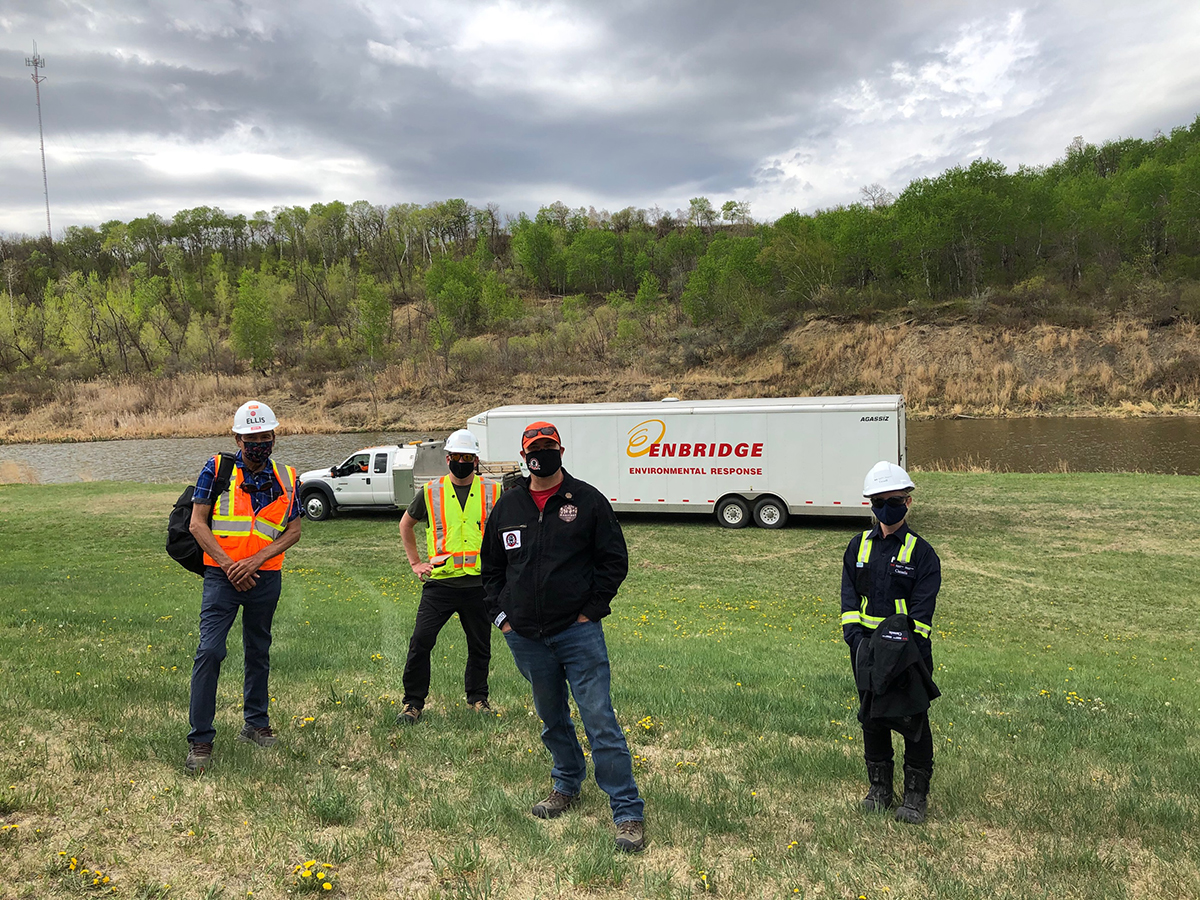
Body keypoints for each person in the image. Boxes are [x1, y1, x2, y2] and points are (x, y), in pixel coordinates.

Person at [481, 421, 646, 853]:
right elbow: (492, 571)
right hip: (526, 638)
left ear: (560, 450)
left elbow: (614, 561)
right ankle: (566, 784)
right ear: (524, 456)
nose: (541, 454)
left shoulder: (587, 500)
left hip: (578, 635)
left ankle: (627, 811)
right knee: (551, 717)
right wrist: (503, 618)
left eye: (548, 447)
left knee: (600, 721)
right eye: (534, 448)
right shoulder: (507, 506)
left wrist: (590, 613)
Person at [184, 400, 301, 774]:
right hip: (222, 576)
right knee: (210, 651)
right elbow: (197, 524)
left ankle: (255, 722)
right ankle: (201, 740)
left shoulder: (288, 476)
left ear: (274, 437)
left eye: (265, 436)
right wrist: (231, 565)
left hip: (265, 577)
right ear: (237, 437)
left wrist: (256, 560)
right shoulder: (216, 469)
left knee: (258, 649)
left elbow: (293, 531)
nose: (258, 443)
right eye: (251, 437)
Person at [840, 461, 941, 823]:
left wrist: (900, 650)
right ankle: (880, 789)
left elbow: (921, 615)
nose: (886, 507)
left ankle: (915, 796)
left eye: (893, 500)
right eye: (878, 501)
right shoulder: (857, 547)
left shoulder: (922, 554)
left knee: (913, 720)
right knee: (872, 720)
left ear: (908, 502)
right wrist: (855, 640)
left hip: (907, 655)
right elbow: (849, 599)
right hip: (866, 652)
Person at [397, 429, 501, 723]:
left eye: (468, 457)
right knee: (421, 641)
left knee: (480, 646)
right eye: (457, 456)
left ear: (476, 460)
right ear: (448, 459)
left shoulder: (493, 491)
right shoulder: (430, 491)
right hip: (440, 584)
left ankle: (478, 699)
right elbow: (406, 525)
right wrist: (416, 563)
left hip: (479, 584)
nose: (463, 461)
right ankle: (413, 703)